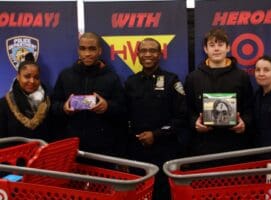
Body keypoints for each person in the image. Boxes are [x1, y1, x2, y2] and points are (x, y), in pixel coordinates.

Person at [125, 38, 188, 200]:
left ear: (160, 54)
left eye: (152, 51)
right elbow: (124, 117)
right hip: (137, 154)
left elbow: (182, 118)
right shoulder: (130, 82)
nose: (148, 54)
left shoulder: (172, 80)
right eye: (143, 51)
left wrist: (156, 135)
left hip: (165, 152)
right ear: (137, 54)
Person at [51, 32, 126, 157]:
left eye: (92, 49)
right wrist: (63, 108)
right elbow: (52, 105)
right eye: (83, 49)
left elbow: (123, 109)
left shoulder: (111, 78)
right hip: (72, 147)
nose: (87, 53)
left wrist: (107, 106)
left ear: (100, 51)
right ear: (78, 51)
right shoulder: (65, 75)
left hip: (103, 149)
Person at [184, 28, 254, 157]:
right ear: (205, 49)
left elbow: (250, 107)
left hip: (235, 146)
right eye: (212, 45)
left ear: (228, 48)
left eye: (220, 44)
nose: (216, 49)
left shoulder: (242, 76)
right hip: (203, 147)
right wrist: (195, 122)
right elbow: (187, 109)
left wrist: (245, 122)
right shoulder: (193, 78)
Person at [0, 53, 52, 142]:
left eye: (36, 77)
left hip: (42, 154)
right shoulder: (4, 104)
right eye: (27, 76)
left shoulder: (48, 103)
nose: (32, 81)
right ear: (18, 76)